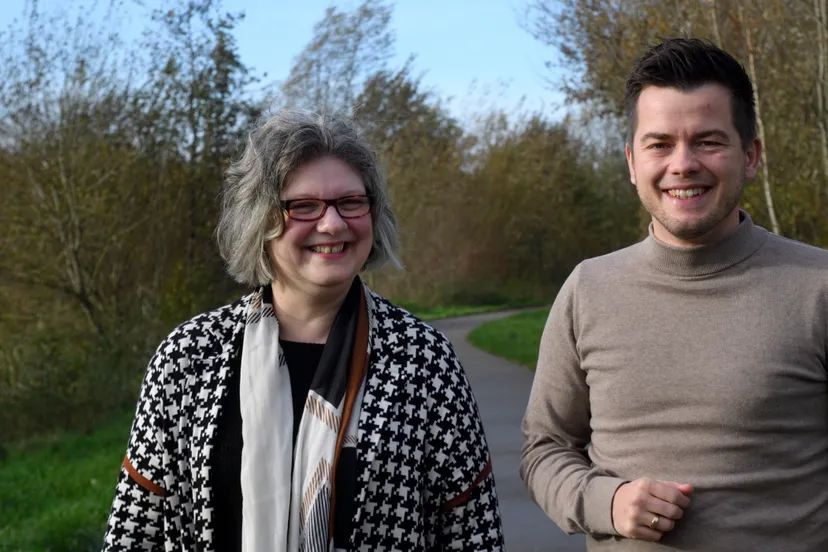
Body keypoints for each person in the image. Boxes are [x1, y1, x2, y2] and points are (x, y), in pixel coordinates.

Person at [102, 110, 505, 551]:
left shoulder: (425, 360)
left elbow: (473, 534)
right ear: (261, 221)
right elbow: (134, 533)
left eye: (350, 201)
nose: (332, 224)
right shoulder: (188, 357)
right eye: (304, 206)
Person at [520, 37, 828, 551]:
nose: (683, 164)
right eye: (660, 144)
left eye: (708, 141)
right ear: (632, 162)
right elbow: (544, 449)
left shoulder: (817, 286)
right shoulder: (587, 290)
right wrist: (607, 503)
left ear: (751, 156)